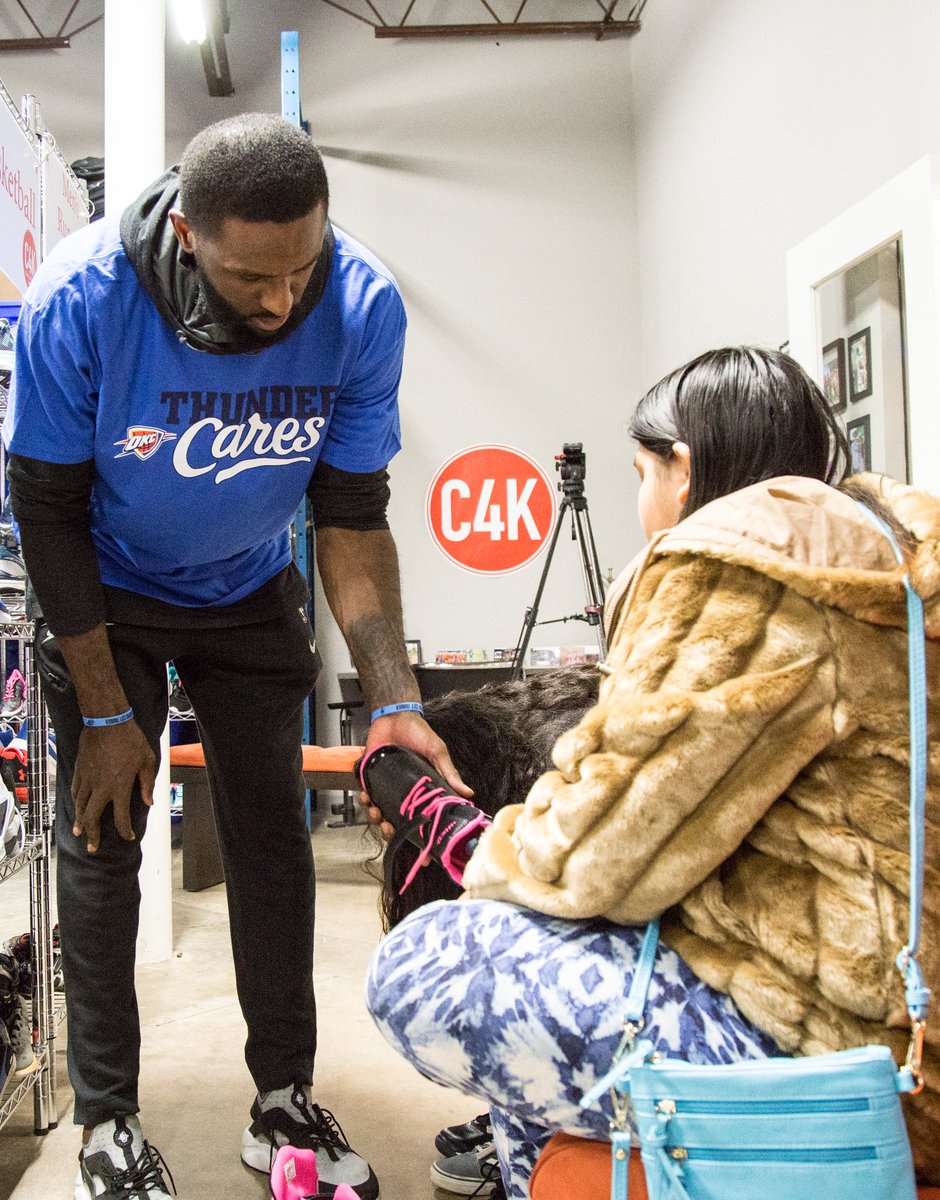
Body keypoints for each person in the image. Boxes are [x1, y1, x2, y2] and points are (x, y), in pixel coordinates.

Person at [4, 112, 466, 1200]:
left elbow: (351, 514)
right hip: (105, 595)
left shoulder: (358, 304)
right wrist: (113, 718)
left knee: (273, 842)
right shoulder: (83, 301)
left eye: (301, 266)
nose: (282, 299)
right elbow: (48, 508)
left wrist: (394, 695)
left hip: (249, 589)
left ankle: (281, 1097)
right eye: (254, 277)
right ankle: (107, 1124)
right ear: (188, 237)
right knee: (103, 840)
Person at [362, 346, 940, 1199]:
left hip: (852, 1052)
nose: (642, 501)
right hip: (900, 1014)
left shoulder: (742, 567)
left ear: (685, 469)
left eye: (641, 471)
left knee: (429, 962)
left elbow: (598, 852)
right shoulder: (881, 560)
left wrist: (461, 839)